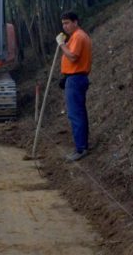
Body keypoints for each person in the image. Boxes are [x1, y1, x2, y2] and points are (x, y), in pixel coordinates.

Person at [56, 11, 92, 162]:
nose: (65, 26)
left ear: (75, 22)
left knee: (75, 114)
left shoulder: (78, 36)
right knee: (79, 113)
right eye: (63, 23)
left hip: (76, 79)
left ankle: (81, 148)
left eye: (67, 23)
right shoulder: (76, 37)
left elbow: (72, 56)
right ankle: (83, 145)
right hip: (74, 77)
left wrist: (61, 44)